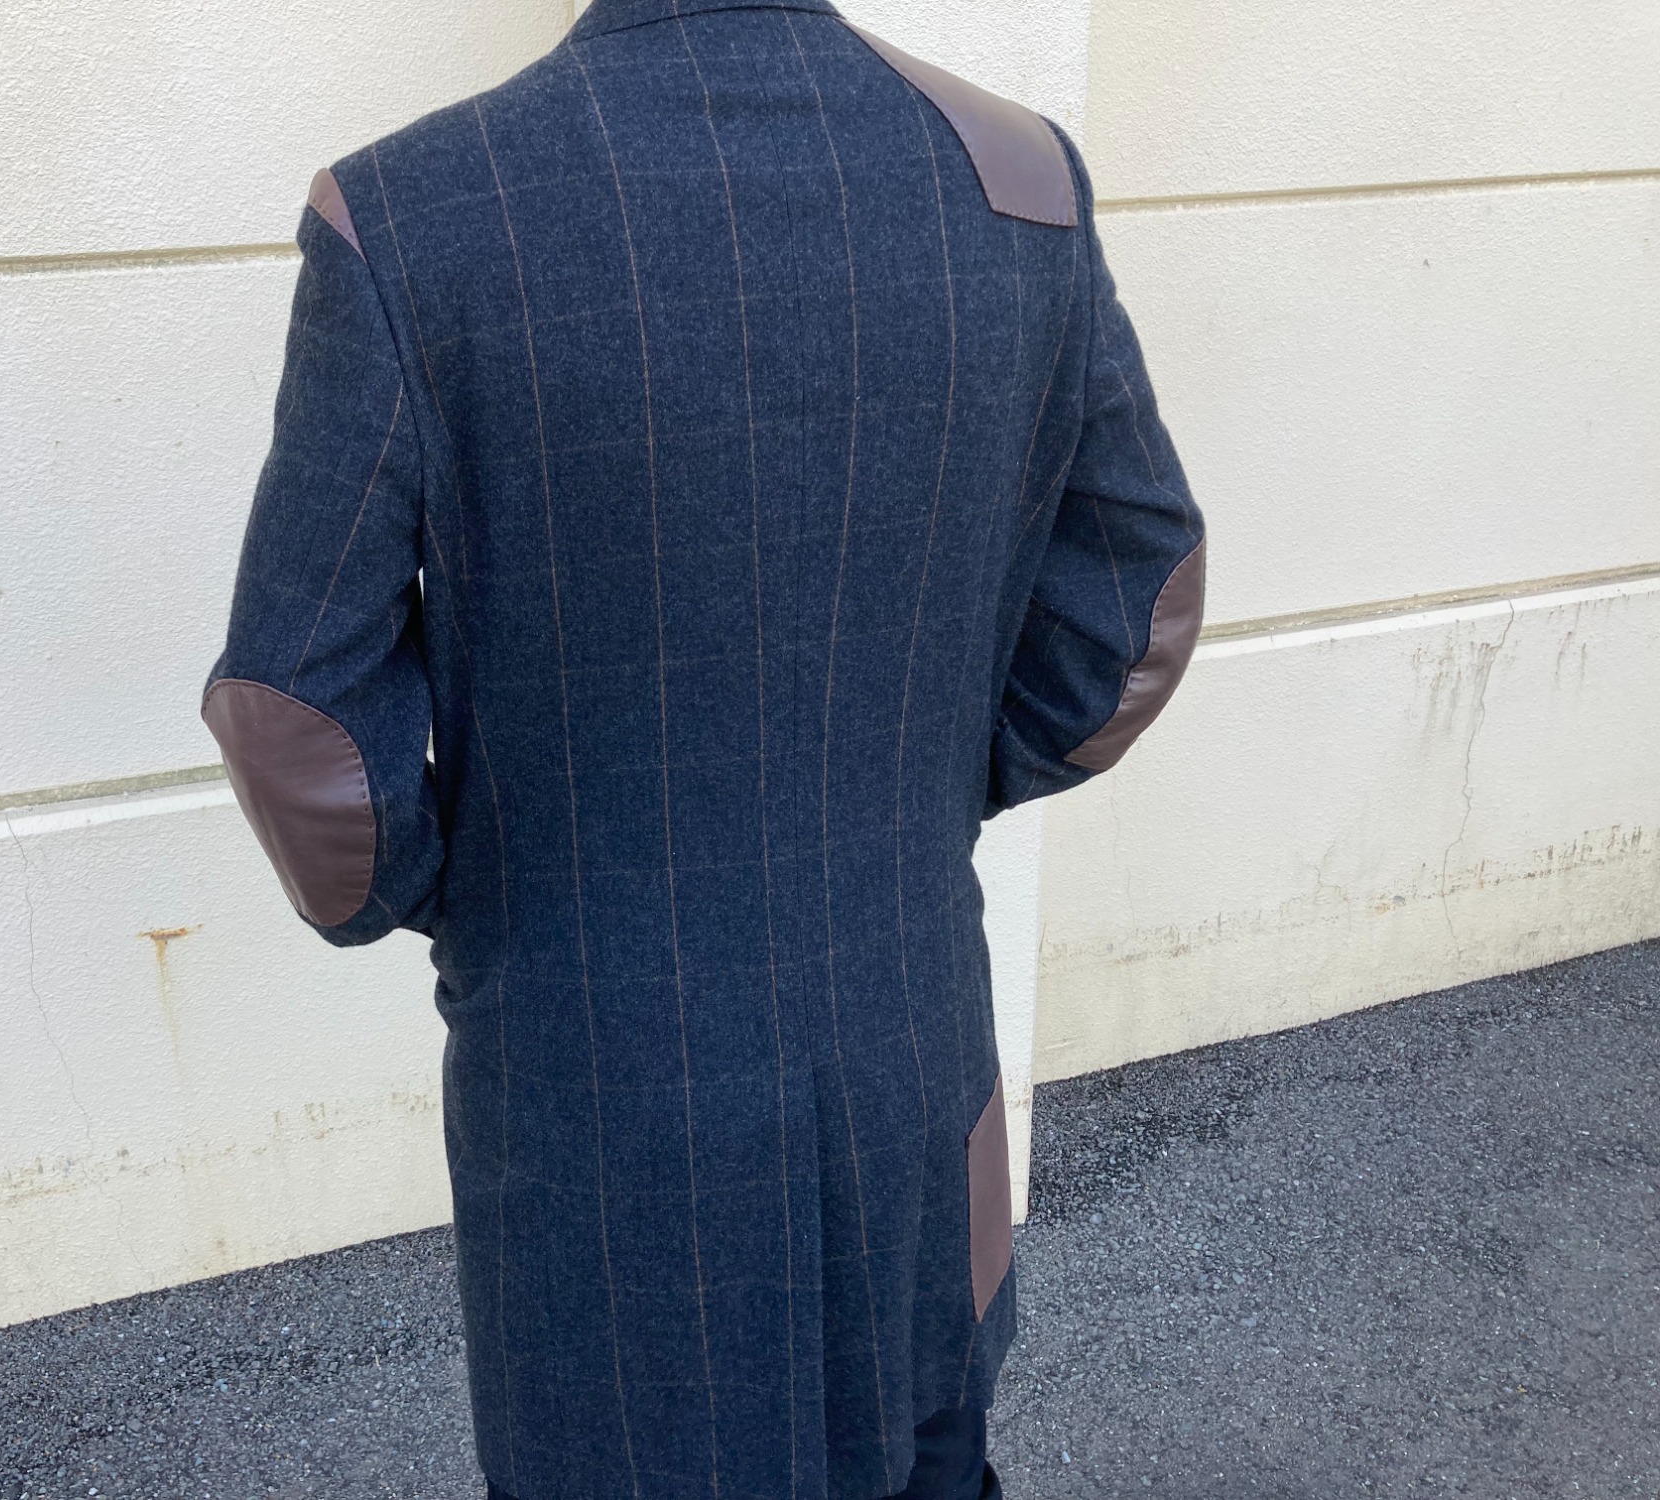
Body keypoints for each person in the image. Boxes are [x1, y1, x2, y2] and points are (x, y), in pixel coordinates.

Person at [202, 2, 1205, 1495]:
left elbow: (297, 716)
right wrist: (934, 785)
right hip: (915, 1039)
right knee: (930, 1452)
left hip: (594, 1089)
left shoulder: (410, 213)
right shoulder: (1019, 183)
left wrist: (473, 896)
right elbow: (1138, 595)